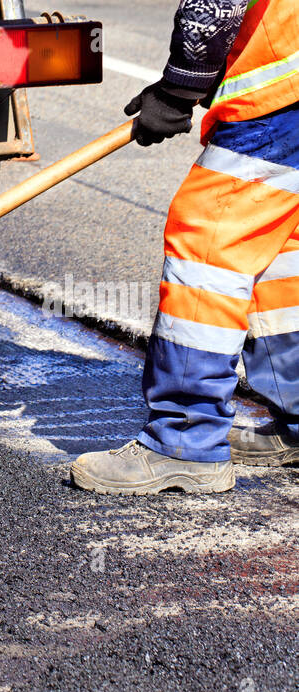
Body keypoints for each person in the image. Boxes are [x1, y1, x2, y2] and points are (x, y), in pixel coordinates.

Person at [71, 0, 299, 494]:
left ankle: (184, 441)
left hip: (285, 84)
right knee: (283, 249)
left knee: (211, 243)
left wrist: (180, 85)